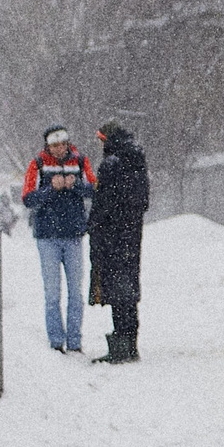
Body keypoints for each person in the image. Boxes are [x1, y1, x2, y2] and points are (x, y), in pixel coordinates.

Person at [23, 126, 97, 354]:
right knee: (52, 292)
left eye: (63, 144)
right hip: (48, 237)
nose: (59, 149)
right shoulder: (37, 164)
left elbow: (94, 189)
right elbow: (28, 198)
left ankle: (75, 341)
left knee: (76, 292)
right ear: (48, 146)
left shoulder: (81, 161)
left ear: (68, 143)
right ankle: (56, 341)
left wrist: (75, 186)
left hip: (73, 235)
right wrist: (49, 190)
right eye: (54, 145)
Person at [88, 120, 150, 365]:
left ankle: (120, 345)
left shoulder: (112, 164)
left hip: (111, 238)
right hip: (131, 236)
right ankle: (130, 342)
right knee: (129, 290)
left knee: (115, 290)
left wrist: (95, 224)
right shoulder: (137, 163)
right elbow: (143, 202)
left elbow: (103, 203)